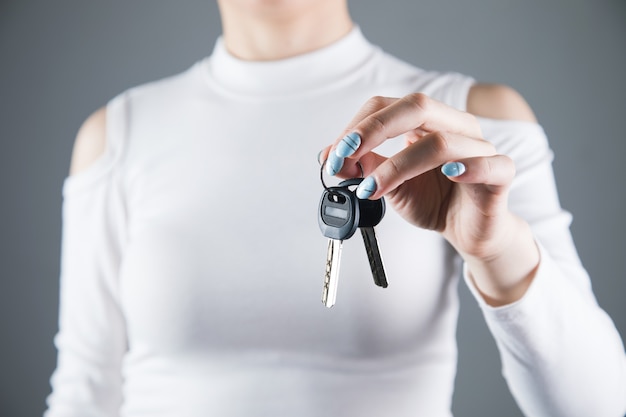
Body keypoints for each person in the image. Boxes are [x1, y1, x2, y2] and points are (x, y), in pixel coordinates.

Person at [44, 1, 626, 416]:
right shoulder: (118, 134)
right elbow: (84, 393)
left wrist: (500, 253)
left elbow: (600, 407)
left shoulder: (472, 125)